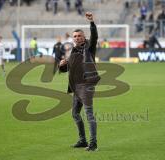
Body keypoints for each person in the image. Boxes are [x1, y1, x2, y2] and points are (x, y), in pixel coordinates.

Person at [59, 12, 99, 151]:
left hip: (86, 85)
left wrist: (91, 22)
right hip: (76, 87)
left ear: (84, 37)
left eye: (79, 36)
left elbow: (94, 36)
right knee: (75, 114)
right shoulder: (73, 51)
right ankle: (83, 140)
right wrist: (62, 65)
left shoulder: (89, 47)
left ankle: (93, 144)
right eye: (75, 36)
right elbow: (68, 69)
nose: (77, 38)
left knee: (89, 114)